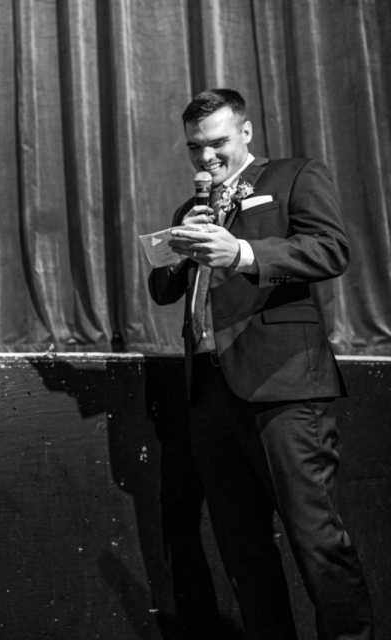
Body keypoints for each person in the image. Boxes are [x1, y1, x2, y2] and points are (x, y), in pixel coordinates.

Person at [148, 89, 373, 640]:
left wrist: (243, 254)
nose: (206, 158)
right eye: (195, 148)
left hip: (284, 387)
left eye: (218, 143)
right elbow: (161, 289)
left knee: (316, 542)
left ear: (246, 133)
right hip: (210, 392)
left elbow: (331, 249)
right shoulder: (190, 208)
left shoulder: (293, 177)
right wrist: (177, 246)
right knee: (242, 550)